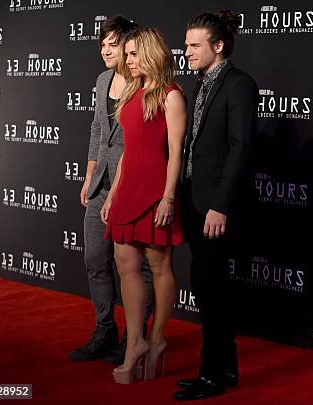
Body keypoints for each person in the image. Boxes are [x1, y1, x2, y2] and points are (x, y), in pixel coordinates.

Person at [173, 10, 258, 401]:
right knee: (207, 286)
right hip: (194, 199)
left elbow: (241, 149)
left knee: (211, 286)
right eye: (187, 44)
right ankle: (224, 365)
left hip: (215, 206)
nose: (186, 51)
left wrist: (220, 206)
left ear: (218, 46)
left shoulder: (239, 84)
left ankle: (212, 374)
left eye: (194, 45)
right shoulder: (202, 81)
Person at [101, 27, 187, 384]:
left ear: (152, 53)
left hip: (155, 192)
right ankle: (134, 342)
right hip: (128, 189)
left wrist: (168, 197)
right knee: (125, 264)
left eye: (135, 54)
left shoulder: (171, 96)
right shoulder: (132, 93)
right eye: (127, 54)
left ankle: (156, 340)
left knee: (160, 265)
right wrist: (111, 192)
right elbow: (126, 153)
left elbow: (175, 153)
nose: (128, 60)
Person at [70, 15, 154, 365]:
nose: (105, 49)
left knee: (135, 265)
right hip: (102, 182)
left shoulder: (146, 83)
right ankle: (105, 330)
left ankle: (137, 335)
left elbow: (145, 142)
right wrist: (89, 176)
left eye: (113, 44)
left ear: (130, 47)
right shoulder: (102, 79)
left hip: (133, 183)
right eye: (102, 43)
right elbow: (96, 132)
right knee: (94, 258)